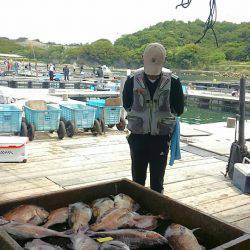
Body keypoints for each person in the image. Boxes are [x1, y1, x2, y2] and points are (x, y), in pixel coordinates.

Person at [122, 43, 184, 193]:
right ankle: (138, 212)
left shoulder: (174, 81)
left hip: (161, 138)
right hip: (137, 137)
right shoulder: (131, 80)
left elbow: (178, 110)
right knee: (137, 181)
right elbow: (126, 105)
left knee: (157, 183)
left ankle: (155, 213)